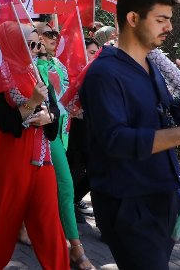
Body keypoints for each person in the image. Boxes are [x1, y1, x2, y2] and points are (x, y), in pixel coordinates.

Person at [80, 0, 180, 269]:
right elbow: (115, 140)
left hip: (161, 196)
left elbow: (166, 115)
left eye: (170, 20)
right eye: (161, 20)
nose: (169, 27)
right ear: (133, 18)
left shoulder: (152, 66)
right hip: (127, 203)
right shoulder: (104, 73)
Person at [0, 23, 69, 270]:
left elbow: (54, 112)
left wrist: (49, 117)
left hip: (42, 159)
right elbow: (6, 123)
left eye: (37, 44)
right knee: (0, 225)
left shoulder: (35, 71)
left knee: (50, 227)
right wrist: (32, 104)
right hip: (11, 161)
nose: (35, 49)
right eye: (31, 44)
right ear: (14, 43)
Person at [35, 23, 94, 270]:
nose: (55, 38)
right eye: (49, 34)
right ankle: (76, 248)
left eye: (56, 34)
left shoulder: (58, 64)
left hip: (63, 131)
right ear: (36, 38)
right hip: (43, 135)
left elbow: (66, 98)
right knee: (67, 187)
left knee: (45, 189)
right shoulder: (32, 65)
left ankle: (28, 230)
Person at [66, 37, 100, 225]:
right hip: (75, 128)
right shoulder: (71, 71)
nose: (95, 56)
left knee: (94, 171)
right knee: (75, 170)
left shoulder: (98, 73)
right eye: (91, 52)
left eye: (97, 53)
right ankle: (68, 205)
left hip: (93, 129)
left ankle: (74, 199)